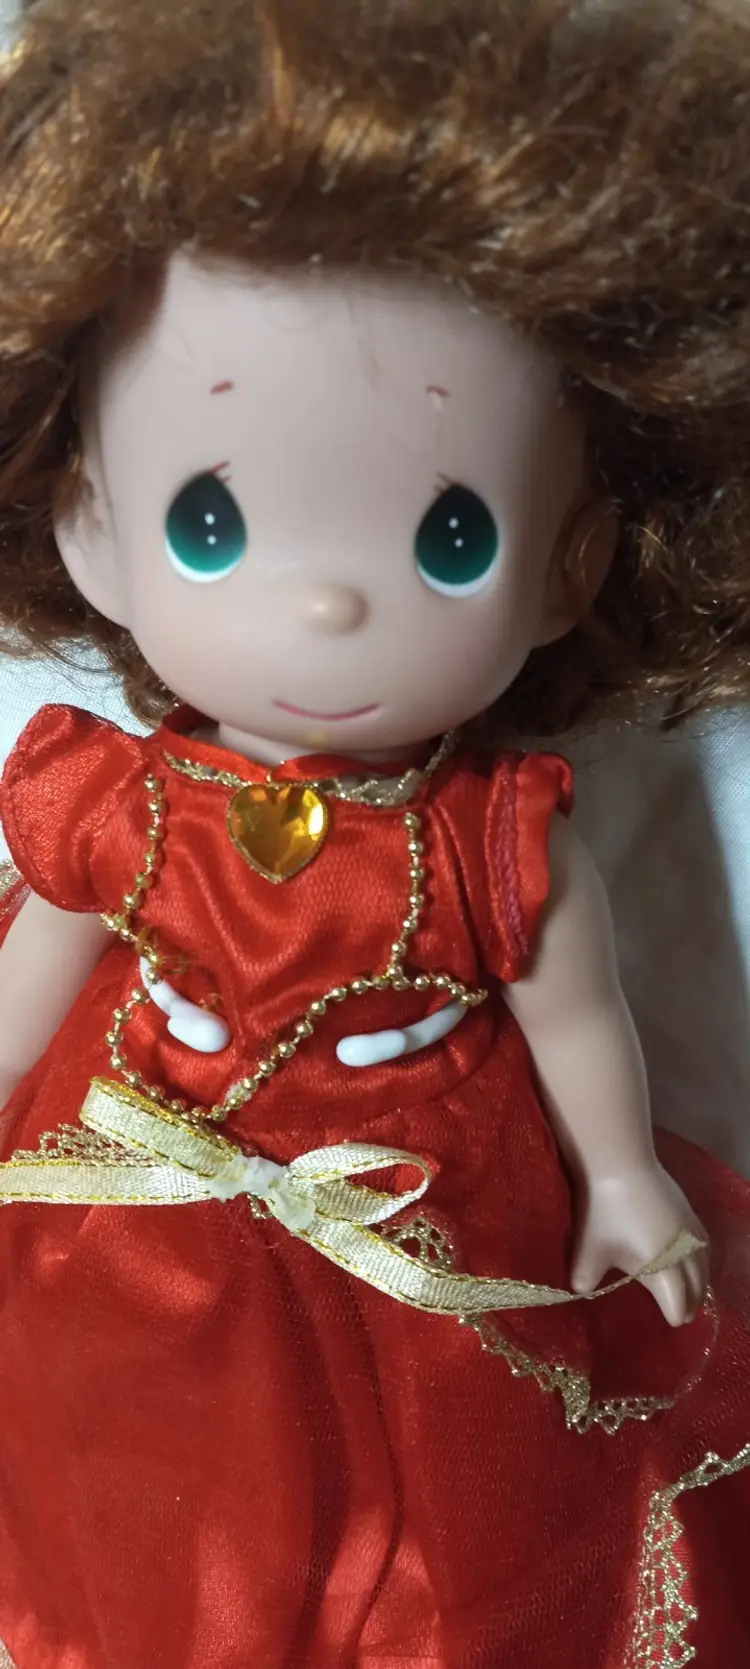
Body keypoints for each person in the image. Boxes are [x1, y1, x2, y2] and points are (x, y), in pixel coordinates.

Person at [0, 2, 748, 1664]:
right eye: (212, 523)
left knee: (437, 1513)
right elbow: (36, 965)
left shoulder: (495, 835)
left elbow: (577, 1017)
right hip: (141, 1179)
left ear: (566, 566)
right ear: (93, 532)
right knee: (139, 1474)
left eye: (449, 534)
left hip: (429, 1189)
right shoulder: (123, 800)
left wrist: (622, 1175)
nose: (327, 604)